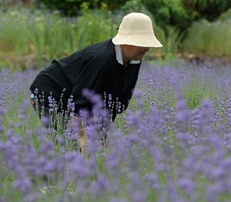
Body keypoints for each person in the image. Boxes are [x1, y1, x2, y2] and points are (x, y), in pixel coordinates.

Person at [29, 12, 162, 150]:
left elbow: (114, 104)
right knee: (67, 147)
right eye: (142, 43)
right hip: (50, 93)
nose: (147, 48)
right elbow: (79, 105)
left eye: (148, 43)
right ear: (125, 41)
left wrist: (103, 140)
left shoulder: (134, 59)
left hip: (75, 99)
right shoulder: (102, 59)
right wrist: (83, 142)